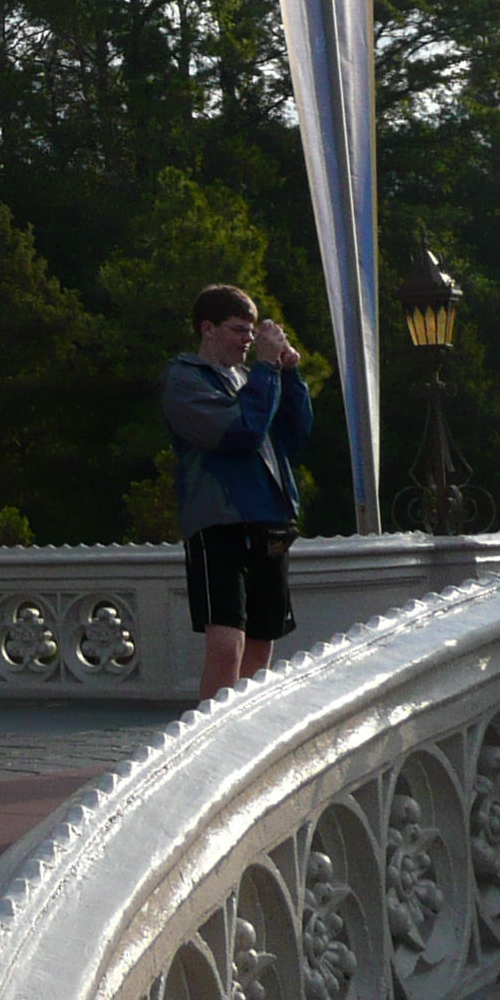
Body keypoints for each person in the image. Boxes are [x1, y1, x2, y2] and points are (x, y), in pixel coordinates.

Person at [163, 284, 312, 702]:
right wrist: (266, 371)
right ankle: (207, 741)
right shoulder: (185, 380)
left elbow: (295, 433)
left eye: (251, 332)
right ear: (207, 329)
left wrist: (289, 374)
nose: (247, 340)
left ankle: (241, 731)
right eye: (237, 330)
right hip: (219, 522)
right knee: (227, 643)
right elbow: (240, 433)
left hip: (269, 519)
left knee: (263, 639)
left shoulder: (253, 377)